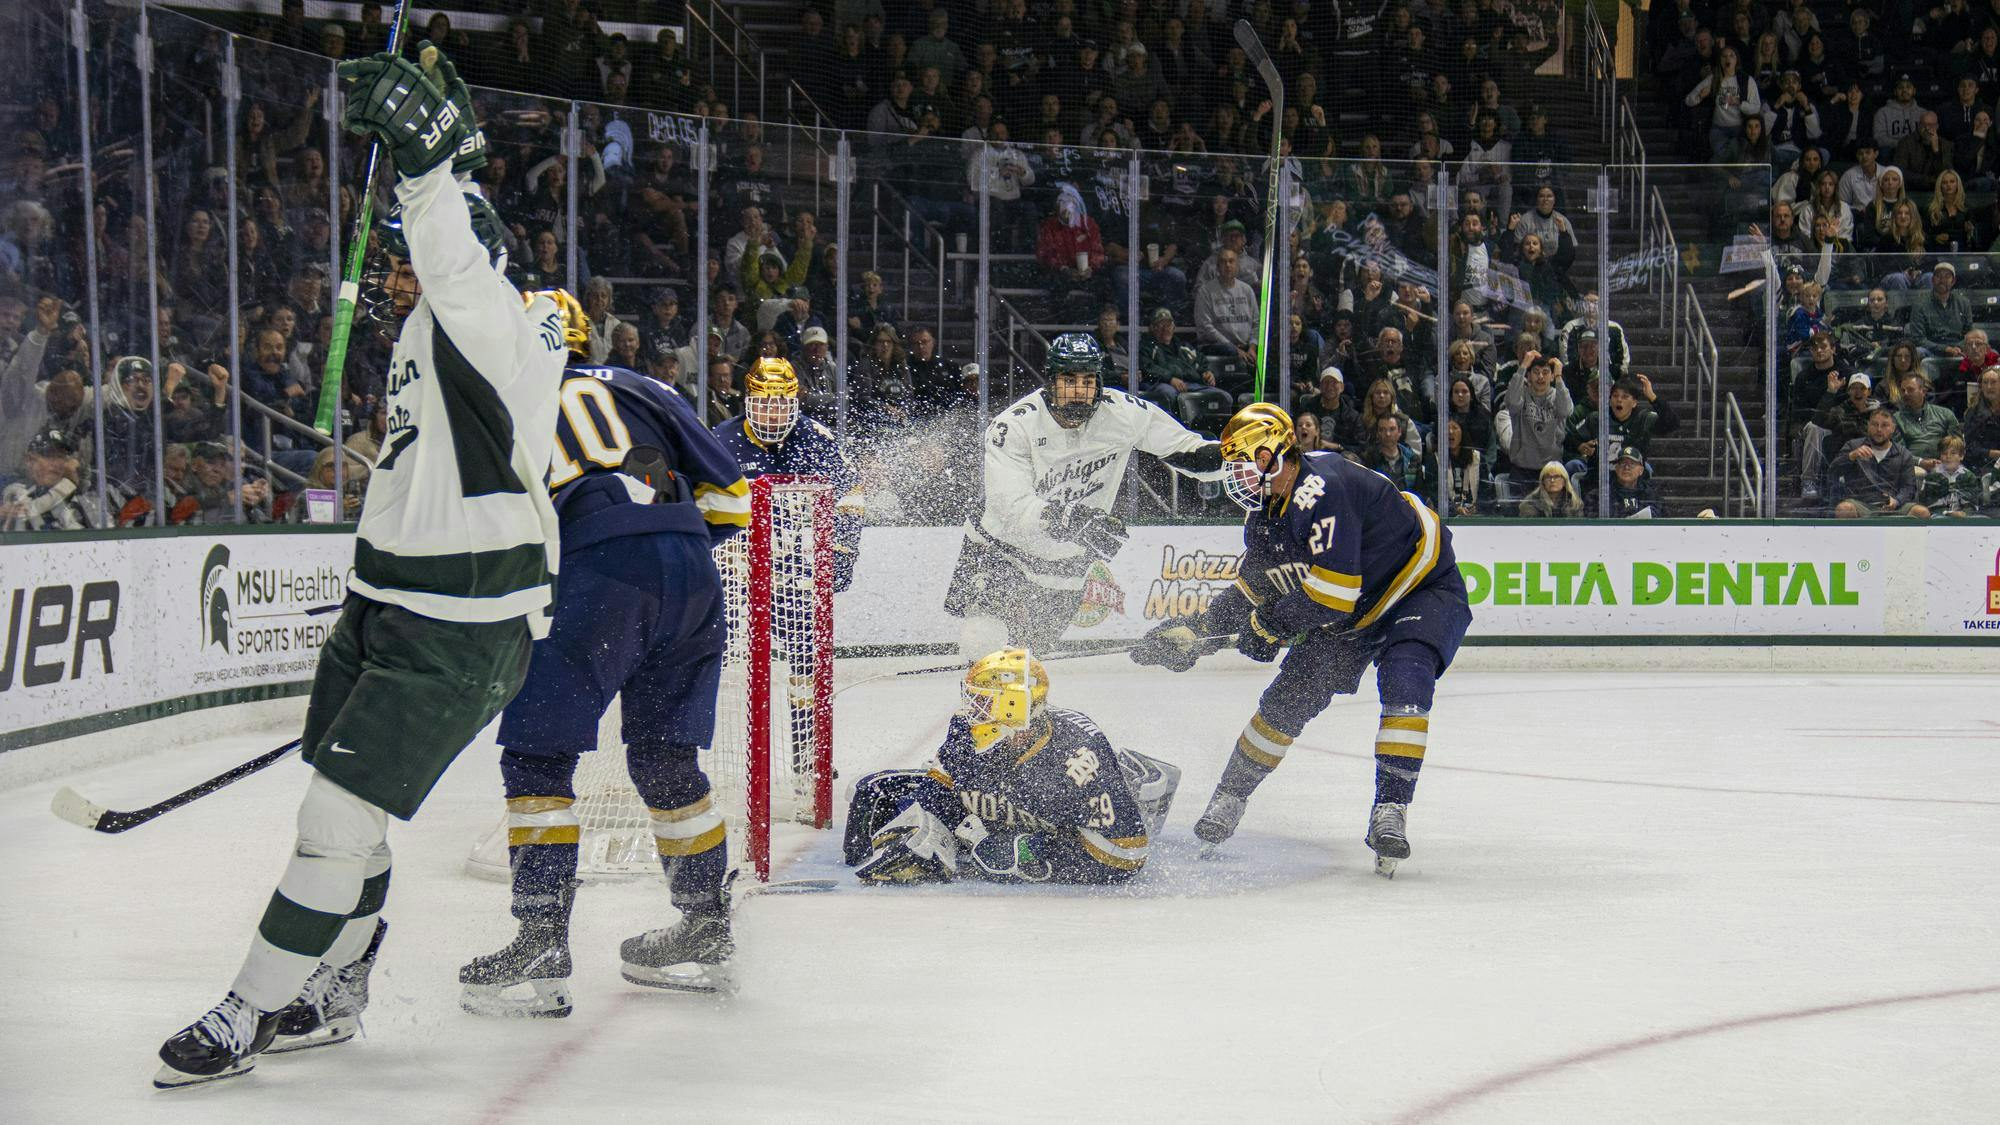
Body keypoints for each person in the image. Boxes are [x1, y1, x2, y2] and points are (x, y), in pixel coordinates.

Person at [154, 44, 566, 1088]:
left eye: (407, 257)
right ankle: (339, 986)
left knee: (334, 819)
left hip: (461, 626)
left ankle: (253, 1006)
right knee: (344, 810)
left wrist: (432, 169)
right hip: (384, 603)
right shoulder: (441, 325)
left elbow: (456, 257)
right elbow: (445, 256)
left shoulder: (496, 323)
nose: (396, 274)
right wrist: (459, 156)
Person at [458, 290, 756, 1017]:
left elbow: (496, 539)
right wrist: (660, 555)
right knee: (663, 757)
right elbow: (734, 502)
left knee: (536, 758)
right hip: (691, 570)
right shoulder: (640, 387)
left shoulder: (502, 408)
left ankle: (540, 940)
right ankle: (703, 924)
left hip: (595, 572)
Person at [1132, 405, 1471, 878]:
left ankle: (1390, 809)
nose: (1233, 475)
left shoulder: (1322, 490)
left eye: (1241, 463)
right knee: (1285, 702)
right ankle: (1230, 796)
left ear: (1273, 456)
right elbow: (1254, 589)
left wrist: (1269, 626)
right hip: (1353, 610)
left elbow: (1331, 595)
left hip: (1420, 589)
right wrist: (1194, 635)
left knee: (1406, 682)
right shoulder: (1268, 514)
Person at [944, 333, 1221, 658]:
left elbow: (1188, 451)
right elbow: (1009, 506)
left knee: (1030, 655)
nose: (1079, 391)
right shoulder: (1015, 426)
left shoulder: (1124, 414)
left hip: (1068, 560)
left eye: (1088, 381)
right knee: (983, 640)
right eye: (1069, 380)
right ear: (1051, 382)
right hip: (1000, 546)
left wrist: (1240, 455)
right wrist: (1067, 518)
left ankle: (1015, 704)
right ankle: (980, 700)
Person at [843, 648, 1179, 885]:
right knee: (872, 794)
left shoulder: (1077, 757)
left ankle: (1136, 775)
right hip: (1016, 809)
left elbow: (1126, 857)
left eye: (983, 701)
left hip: (1105, 808)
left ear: (1014, 706)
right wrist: (936, 834)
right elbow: (940, 793)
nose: (971, 709)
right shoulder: (966, 730)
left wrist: (1031, 851)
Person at [709, 356, 865, 779]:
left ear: (795, 402)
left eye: (781, 404)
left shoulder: (816, 439)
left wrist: (843, 552)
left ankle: (808, 752)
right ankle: (694, 751)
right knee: (708, 657)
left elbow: (850, 498)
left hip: (795, 572)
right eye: (764, 403)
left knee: (806, 663)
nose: (773, 413)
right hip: (733, 571)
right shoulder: (720, 441)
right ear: (748, 402)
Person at [1834, 407, 1918, 514]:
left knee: (1921, 512)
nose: (1879, 429)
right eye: (1874, 424)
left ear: (1893, 428)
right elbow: (1833, 472)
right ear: (1868, 426)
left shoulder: (1904, 454)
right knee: (1844, 509)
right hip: (1860, 505)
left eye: (1884, 425)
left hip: (1894, 506)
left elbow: (1909, 487)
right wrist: (1851, 456)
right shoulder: (1853, 446)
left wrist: (1897, 501)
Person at [1599, 447, 1667, 517]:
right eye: (1622, 463)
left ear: (1641, 470)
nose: (1626, 468)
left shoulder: (1652, 496)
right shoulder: (1602, 495)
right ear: (1616, 468)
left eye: (1632, 464)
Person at [1518, 460, 1584, 516]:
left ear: (1564, 481)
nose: (1552, 480)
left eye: (1557, 477)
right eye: (1548, 477)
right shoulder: (1530, 503)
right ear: (1543, 481)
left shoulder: (1575, 502)